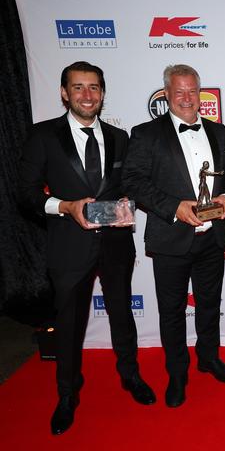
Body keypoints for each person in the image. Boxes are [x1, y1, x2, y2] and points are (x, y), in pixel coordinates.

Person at [18, 61, 155, 435]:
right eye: (78, 87)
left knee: (122, 315)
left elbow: (128, 185)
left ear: (103, 93)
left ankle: (130, 376)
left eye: (93, 87)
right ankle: (67, 394)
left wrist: (127, 203)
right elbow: (25, 195)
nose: (87, 95)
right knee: (68, 325)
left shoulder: (119, 137)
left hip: (114, 244)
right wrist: (65, 206)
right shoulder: (43, 136)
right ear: (64, 93)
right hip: (68, 246)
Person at [122, 64, 225, 408]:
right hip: (170, 237)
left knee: (209, 304)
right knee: (171, 311)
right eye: (179, 92)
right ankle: (178, 373)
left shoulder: (218, 131)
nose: (187, 99)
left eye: (192, 92)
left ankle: (209, 358)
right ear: (166, 95)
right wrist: (175, 207)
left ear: (200, 94)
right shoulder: (145, 133)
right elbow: (134, 182)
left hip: (211, 237)